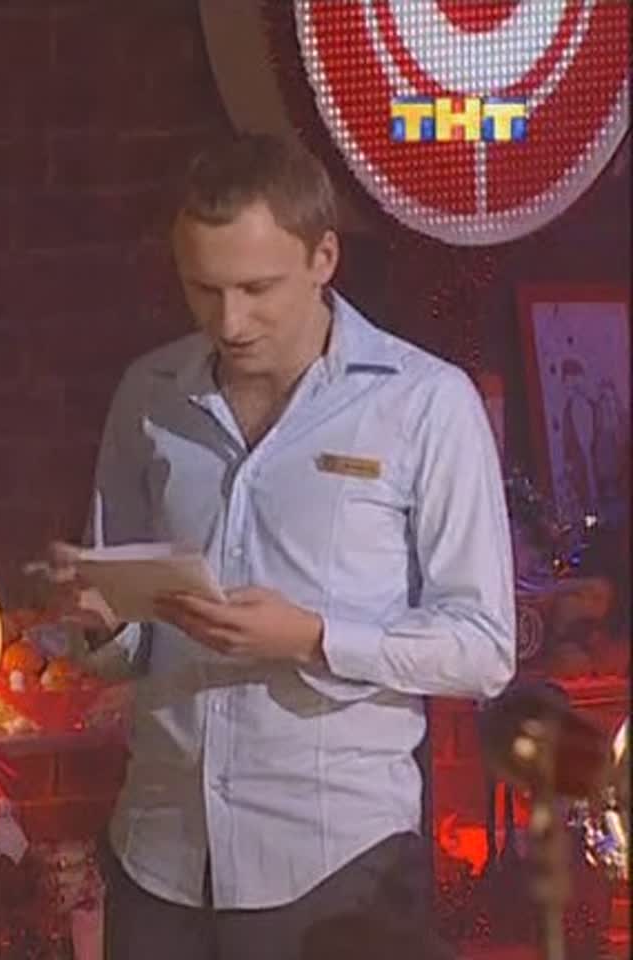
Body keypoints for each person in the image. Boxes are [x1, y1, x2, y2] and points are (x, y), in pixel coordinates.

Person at [40, 134, 515, 959]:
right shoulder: (149, 394)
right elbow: (128, 647)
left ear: (323, 257)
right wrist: (100, 619)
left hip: (335, 858)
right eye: (204, 289)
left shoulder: (424, 405)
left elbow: (483, 646)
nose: (230, 322)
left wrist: (313, 637)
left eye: (257, 289)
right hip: (161, 852)